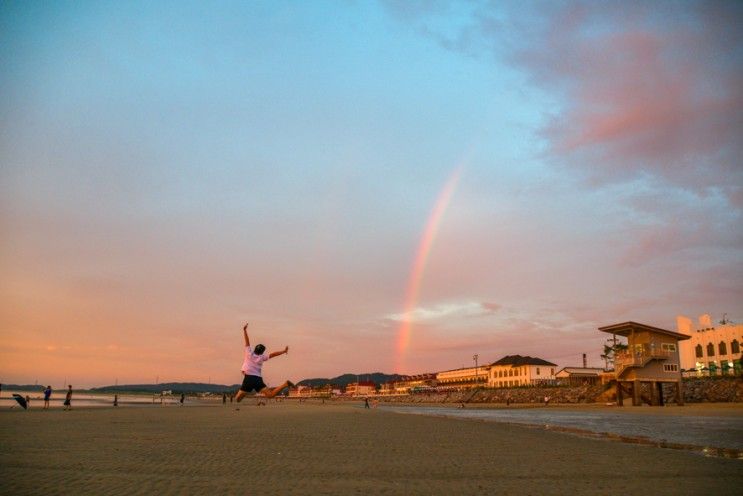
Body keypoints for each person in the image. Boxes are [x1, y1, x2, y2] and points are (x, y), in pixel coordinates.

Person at [234, 323, 294, 406]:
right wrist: (284, 351)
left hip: (248, 379)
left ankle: (246, 392)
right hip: (258, 379)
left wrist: (244, 330)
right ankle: (285, 384)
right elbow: (273, 354)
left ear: (255, 349)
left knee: (237, 400)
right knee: (270, 395)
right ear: (262, 352)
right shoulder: (262, 357)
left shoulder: (249, 353)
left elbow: (247, 341)